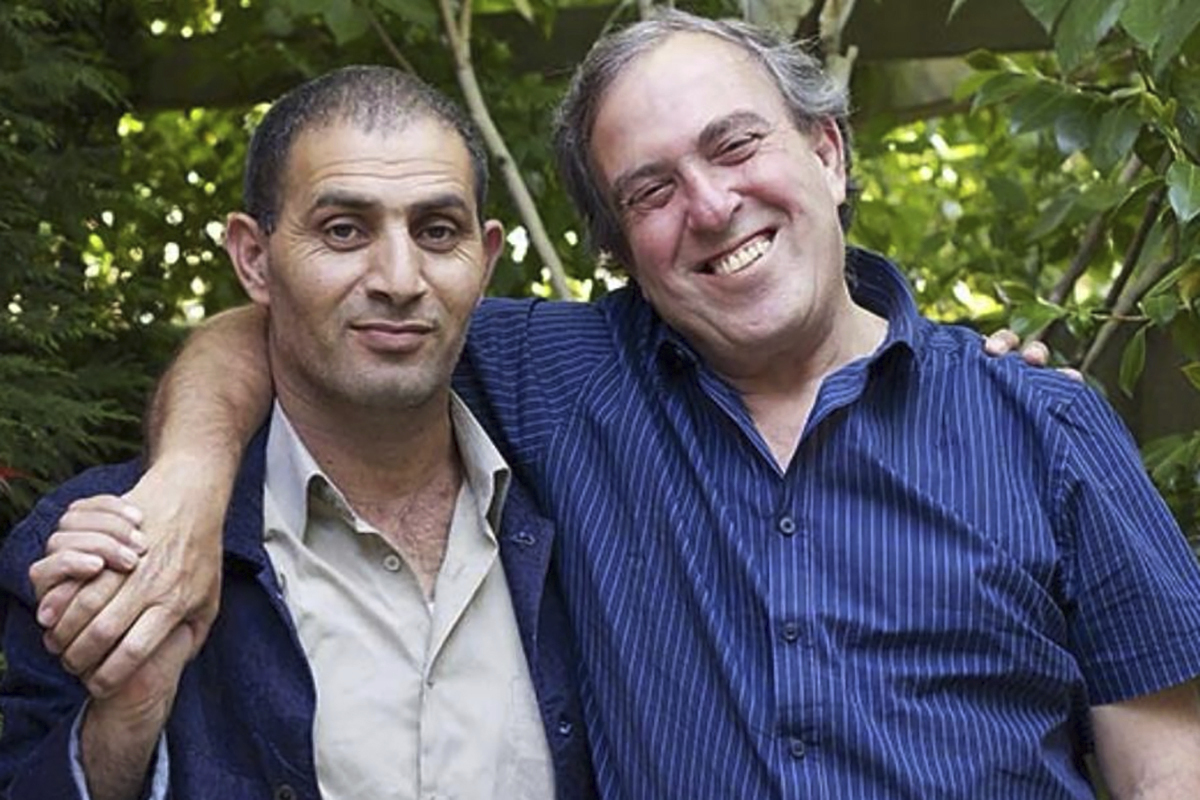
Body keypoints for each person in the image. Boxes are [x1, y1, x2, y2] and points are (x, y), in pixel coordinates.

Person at [24, 9, 1200, 799]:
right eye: (651, 188)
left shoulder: (1043, 426)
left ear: (831, 151)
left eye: (736, 145)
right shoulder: (579, 377)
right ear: (623, 247)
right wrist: (185, 484)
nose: (711, 204)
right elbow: (300, 326)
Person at [0, 65, 595, 799]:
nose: (400, 279)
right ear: (254, 259)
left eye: (438, 231)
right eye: (344, 230)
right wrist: (126, 718)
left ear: (487, 258)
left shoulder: (582, 504)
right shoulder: (123, 552)